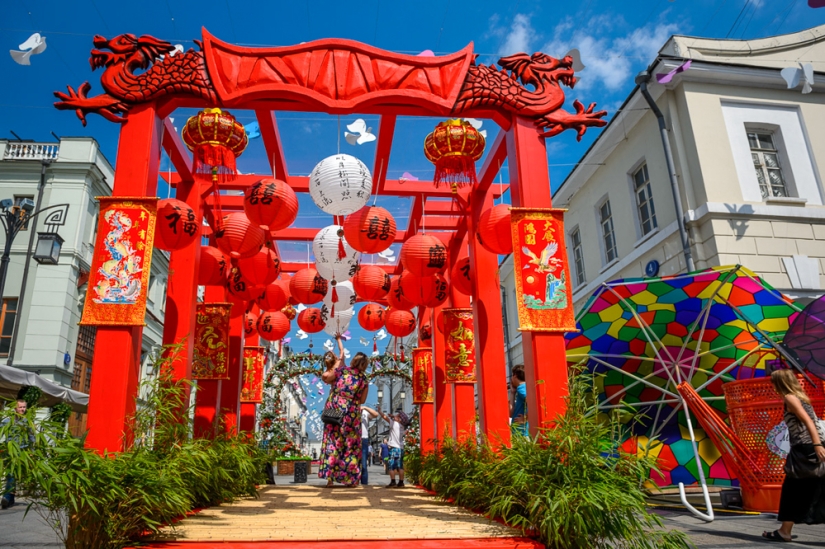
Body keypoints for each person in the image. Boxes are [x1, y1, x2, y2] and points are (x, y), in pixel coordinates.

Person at [762, 369, 825, 542]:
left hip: (804, 449)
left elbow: (808, 421)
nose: (772, 385)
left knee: (793, 489)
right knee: (814, 490)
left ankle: (785, 531)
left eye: (773, 382)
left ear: (780, 382)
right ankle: (785, 530)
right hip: (811, 447)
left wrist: (817, 444)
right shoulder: (801, 397)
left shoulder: (790, 397)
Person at [318, 336, 369, 488]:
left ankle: (330, 479)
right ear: (364, 365)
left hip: (334, 410)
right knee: (351, 445)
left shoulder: (342, 371)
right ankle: (351, 480)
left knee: (333, 442)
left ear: (353, 361)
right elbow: (363, 401)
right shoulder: (363, 379)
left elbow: (327, 378)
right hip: (351, 414)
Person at [1, 399, 34, 510]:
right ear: (15, 408)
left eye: (24, 407)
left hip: (22, 452)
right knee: (11, 474)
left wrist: (32, 452)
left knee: (14, 475)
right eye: (20, 407)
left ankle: (8, 499)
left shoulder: (27, 422)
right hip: (10, 451)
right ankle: (7, 498)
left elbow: (31, 438)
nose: (22, 409)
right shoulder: (8, 421)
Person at [379, 409, 407, 488]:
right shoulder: (402, 426)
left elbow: (384, 417)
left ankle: (393, 481)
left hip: (394, 448)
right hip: (400, 448)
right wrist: (393, 416)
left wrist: (379, 410)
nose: (395, 416)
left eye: (397, 416)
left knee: (391, 466)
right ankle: (401, 482)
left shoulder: (394, 424)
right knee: (400, 466)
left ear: (399, 419)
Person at [360, 405, 379, 485]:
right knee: (352, 463)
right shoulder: (351, 409)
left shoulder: (365, 412)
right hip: (352, 438)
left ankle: (364, 484)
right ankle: (353, 482)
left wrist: (365, 407)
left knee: (364, 464)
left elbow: (376, 414)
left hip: (364, 438)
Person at [509, 364, 528, 437]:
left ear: (515, 376)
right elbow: (511, 413)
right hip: (519, 432)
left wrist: (525, 418)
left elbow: (532, 402)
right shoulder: (520, 389)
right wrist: (512, 393)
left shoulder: (521, 388)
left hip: (522, 433)